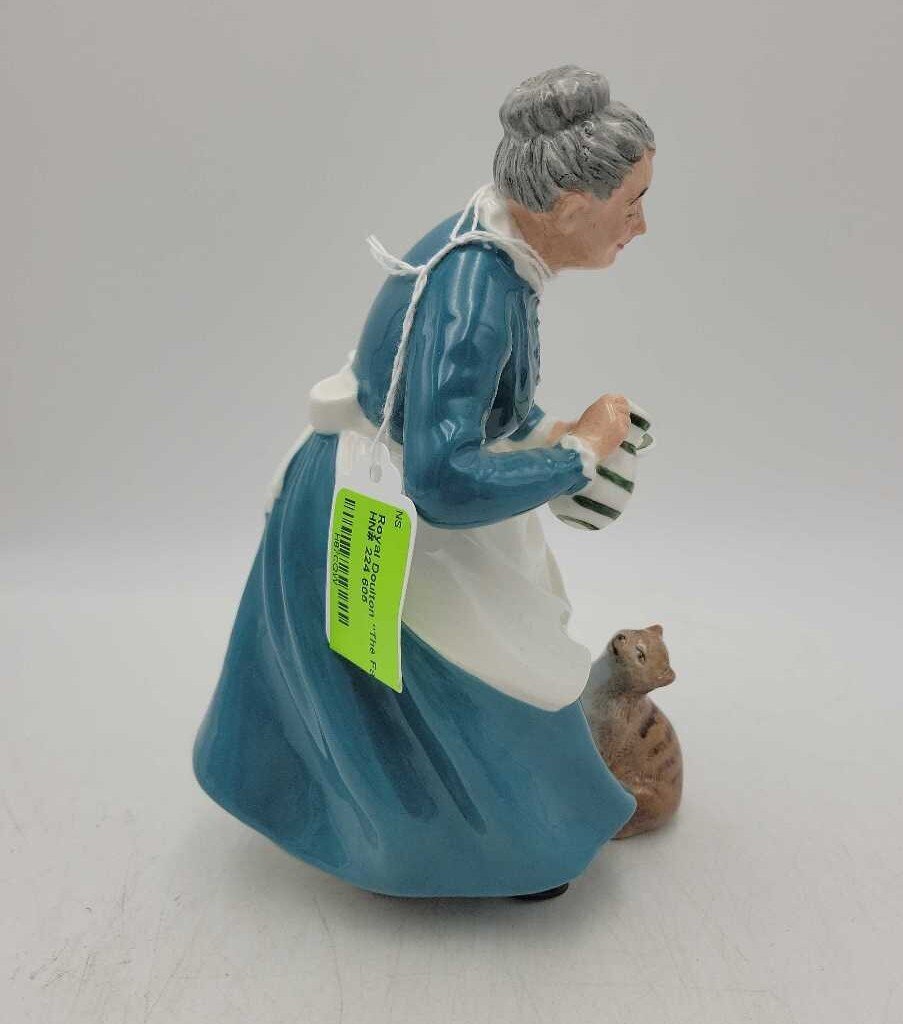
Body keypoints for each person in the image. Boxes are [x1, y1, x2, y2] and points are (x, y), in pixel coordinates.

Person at [193, 65, 656, 899]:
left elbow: (468, 403)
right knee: (477, 688)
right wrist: (578, 456)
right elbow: (443, 480)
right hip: (398, 515)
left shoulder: (497, 247)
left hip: (399, 492)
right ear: (570, 208)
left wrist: (541, 431)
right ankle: (500, 848)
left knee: (485, 668)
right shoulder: (475, 289)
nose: (641, 225)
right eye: (632, 205)